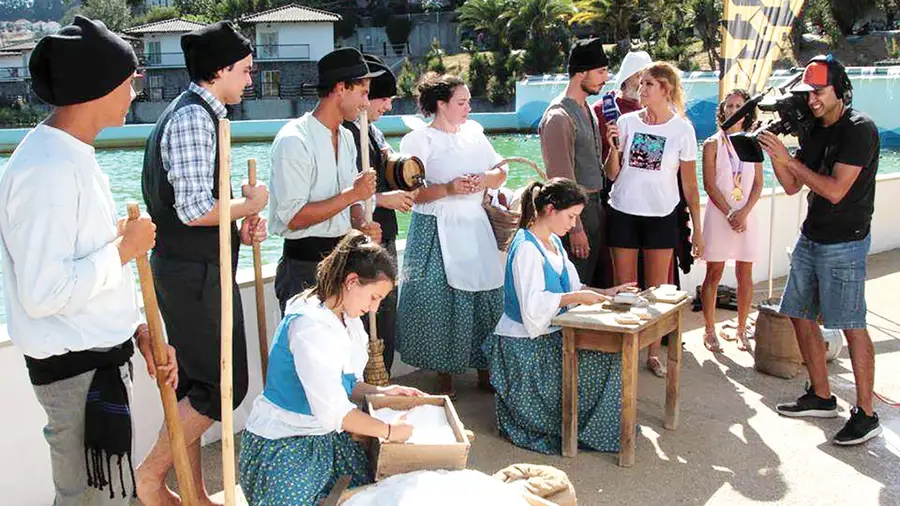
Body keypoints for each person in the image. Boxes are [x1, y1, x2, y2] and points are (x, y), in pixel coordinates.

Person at [0, 16, 177, 505]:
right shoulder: (48, 170)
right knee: (89, 500)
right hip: (76, 376)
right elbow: (44, 294)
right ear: (99, 87)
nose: (133, 93)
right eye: (130, 81)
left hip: (96, 365)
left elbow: (84, 264)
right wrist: (124, 248)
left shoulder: (71, 155)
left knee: (108, 499)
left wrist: (139, 329)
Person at [138, 21, 268, 505]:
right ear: (220, 71)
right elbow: (193, 210)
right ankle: (150, 478)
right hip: (194, 275)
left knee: (194, 385)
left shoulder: (192, 113)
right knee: (219, 389)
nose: (250, 81)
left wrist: (238, 223)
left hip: (192, 270)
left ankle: (192, 496)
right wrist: (248, 206)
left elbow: (196, 206)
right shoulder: (195, 119)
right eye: (246, 71)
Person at [239, 230, 425, 505]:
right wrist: (388, 430)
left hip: (322, 437)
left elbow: (345, 385)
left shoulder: (341, 315)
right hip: (286, 440)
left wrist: (383, 392)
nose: (375, 308)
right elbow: (334, 412)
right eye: (374, 297)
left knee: (383, 486)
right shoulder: (311, 327)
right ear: (351, 281)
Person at [759, 55, 882, 445]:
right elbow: (794, 187)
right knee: (798, 313)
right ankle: (822, 395)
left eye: (819, 92)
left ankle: (866, 413)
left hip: (845, 241)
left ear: (839, 90)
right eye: (808, 92)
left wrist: (790, 161)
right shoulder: (813, 130)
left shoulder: (859, 129)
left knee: (851, 323)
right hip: (812, 236)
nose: (812, 99)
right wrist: (778, 158)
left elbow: (833, 190)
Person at [483, 178, 633, 454]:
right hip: (526, 347)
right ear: (551, 210)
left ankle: (598, 429)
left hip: (548, 336)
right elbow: (534, 307)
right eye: (571, 216)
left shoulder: (551, 241)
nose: (573, 224)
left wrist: (609, 292)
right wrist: (577, 298)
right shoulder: (527, 248)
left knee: (611, 355)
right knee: (605, 361)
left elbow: (574, 288)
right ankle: (590, 430)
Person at [396, 72, 507, 397]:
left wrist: (484, 179)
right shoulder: (419, 140)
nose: (468, 108)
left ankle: (485, 370)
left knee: (486, 296)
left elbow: (502, 170)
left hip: (474, 223)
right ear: (441, 104)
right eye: (462, 102)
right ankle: (442, 373)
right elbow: (411, 193)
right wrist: (448, 188)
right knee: (441, 300)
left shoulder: (474, 133)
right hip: (436, 226)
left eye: (468, 101)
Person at [603, 62, 704, 378]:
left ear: (666, 89)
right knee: (625, 288)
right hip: (623, 210)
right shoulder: (627, 121)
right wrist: (612, 148)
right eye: (641, 83)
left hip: (662, 215)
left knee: (658, 290)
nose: (641, 89)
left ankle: (651, 354)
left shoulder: (682, 130)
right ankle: (625, 349)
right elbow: (612, 172)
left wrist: (698, 230)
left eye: (649, 84)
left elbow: (689, 184)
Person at [269, 47, 382, 314]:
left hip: (344, 263)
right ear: (341, 88)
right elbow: (293, 217)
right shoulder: (293, 140)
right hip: (303, 269)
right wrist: (353, 195)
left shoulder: (346, 137)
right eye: (363, 93)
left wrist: (360, 224)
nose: (366, 103)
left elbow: (349, 205)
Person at [342, 54, 414, 374]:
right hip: (363, 238)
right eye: (384, 99)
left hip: (384, 235)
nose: (388, 107)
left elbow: (386, 165)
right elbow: (349, 191)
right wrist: (386, 199)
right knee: (369, 317)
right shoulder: (348, 134)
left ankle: (382, 381)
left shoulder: (371, 131)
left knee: (386, 317)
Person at [539, 37, 610, 288]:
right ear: (581, 73)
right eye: (601, 71)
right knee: (577, 287)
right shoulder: (559, 116)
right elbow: (561, 180)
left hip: (595, 208)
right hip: (575, 214)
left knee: (596, 286)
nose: (606, 77)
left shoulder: (587, 109)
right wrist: (576, 228)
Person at [700, 89, 764, 353]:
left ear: (747, 111)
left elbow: (758, 184)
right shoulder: (712, 144)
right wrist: (729, 213)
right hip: (719, 214)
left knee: (744, 273)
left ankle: (741, 329)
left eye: (739, 105)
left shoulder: (753, 142)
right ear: (722, 110)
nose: (733, 109)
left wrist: (744, 212)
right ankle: (709, 329)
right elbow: (709, 184)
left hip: (746, 215)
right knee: (713, 273)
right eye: (729, 106)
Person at [595, 50, 651, 162]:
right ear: (625, 78)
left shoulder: (652, 110)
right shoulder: (601, 110)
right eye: (638, 77)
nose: (642, 85)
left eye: (648, 80)